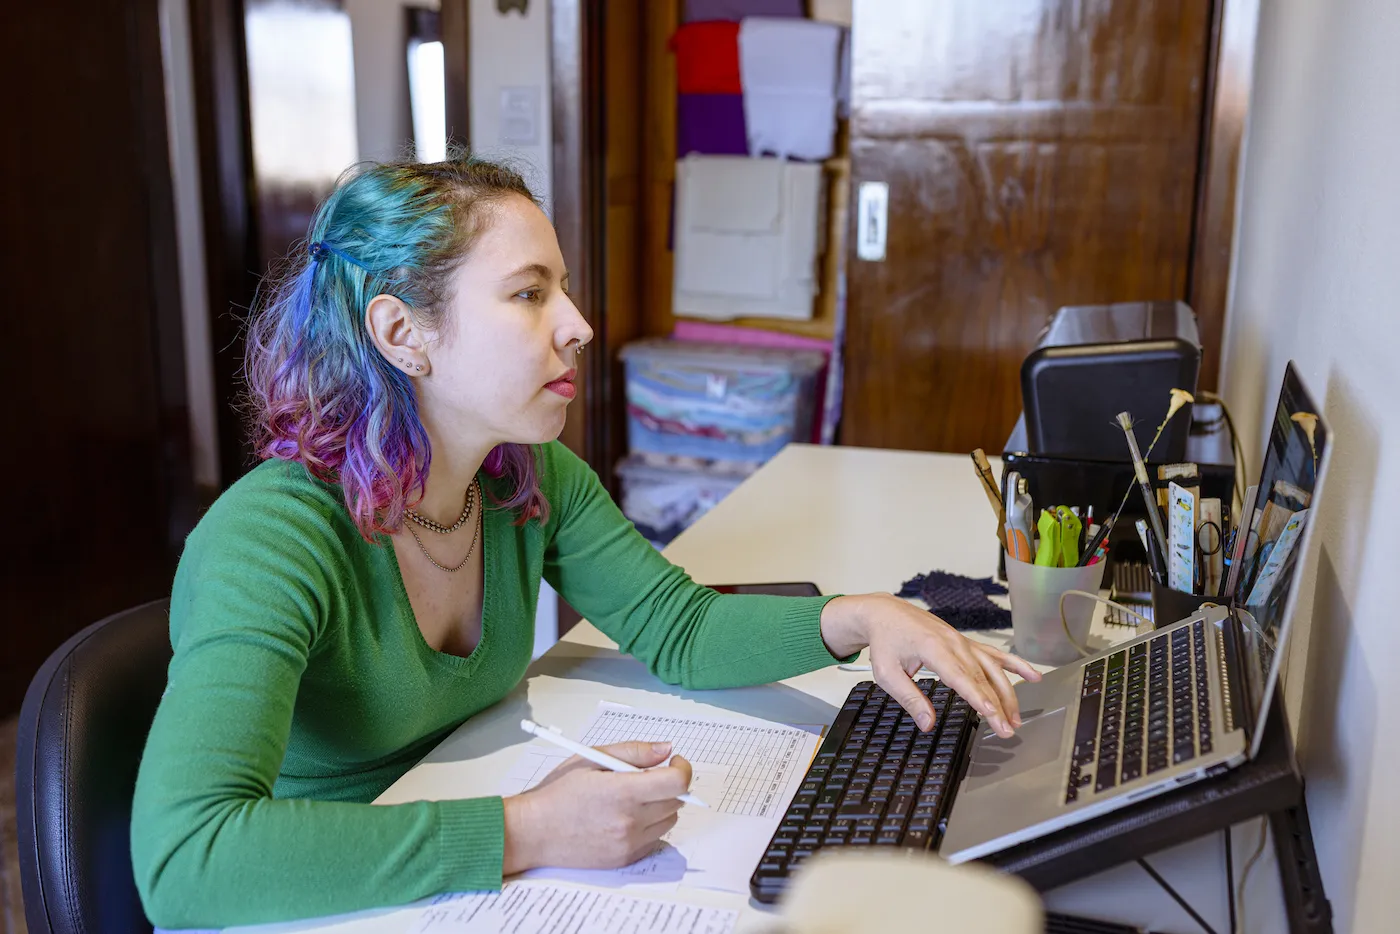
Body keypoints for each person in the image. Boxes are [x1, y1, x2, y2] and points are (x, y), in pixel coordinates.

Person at [130, 156, 1039, 929]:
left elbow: (677, 628)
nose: (579, 324)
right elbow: (186, 857)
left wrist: (858, 617)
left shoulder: (524, 476)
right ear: (404, 334)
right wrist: (529, 830)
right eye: (530, 293)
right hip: (320, 903)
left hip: (456, 886)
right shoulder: (273, 536)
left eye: (559, 287)